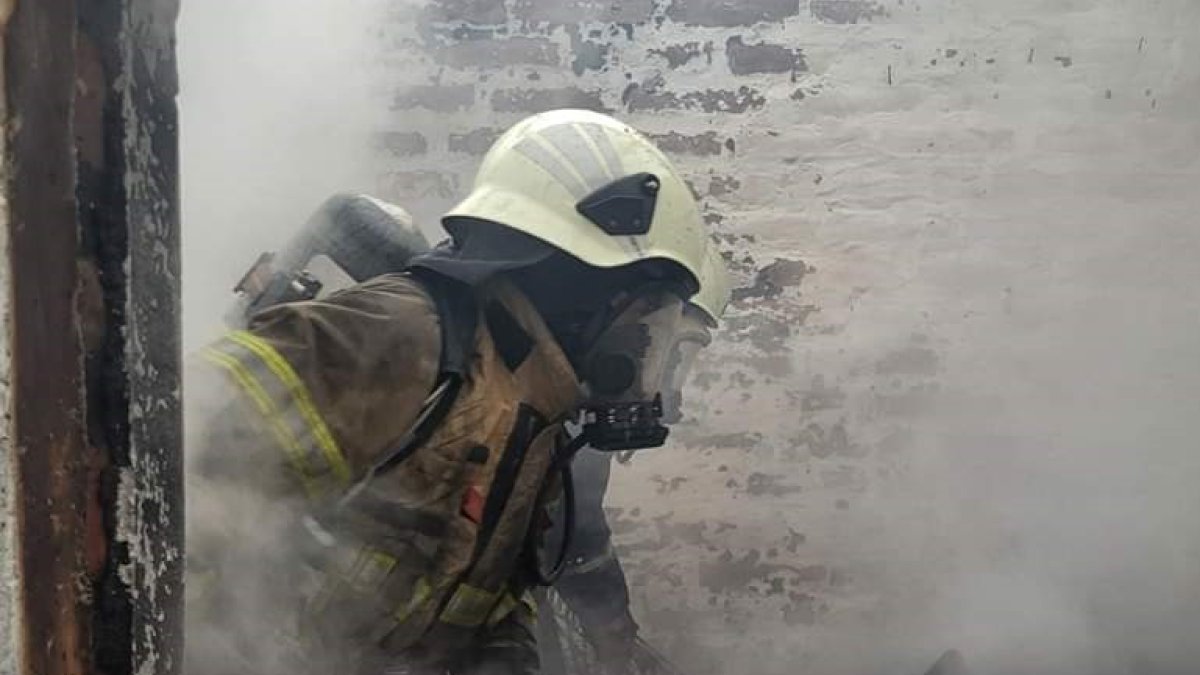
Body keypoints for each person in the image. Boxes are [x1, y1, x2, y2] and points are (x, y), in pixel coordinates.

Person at [184, 109, 729, 675]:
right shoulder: (400, 333)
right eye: (652, 317)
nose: (650, 349)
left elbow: (488, 603)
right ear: (592, 287)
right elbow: (167, 478)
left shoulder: (533, 414)